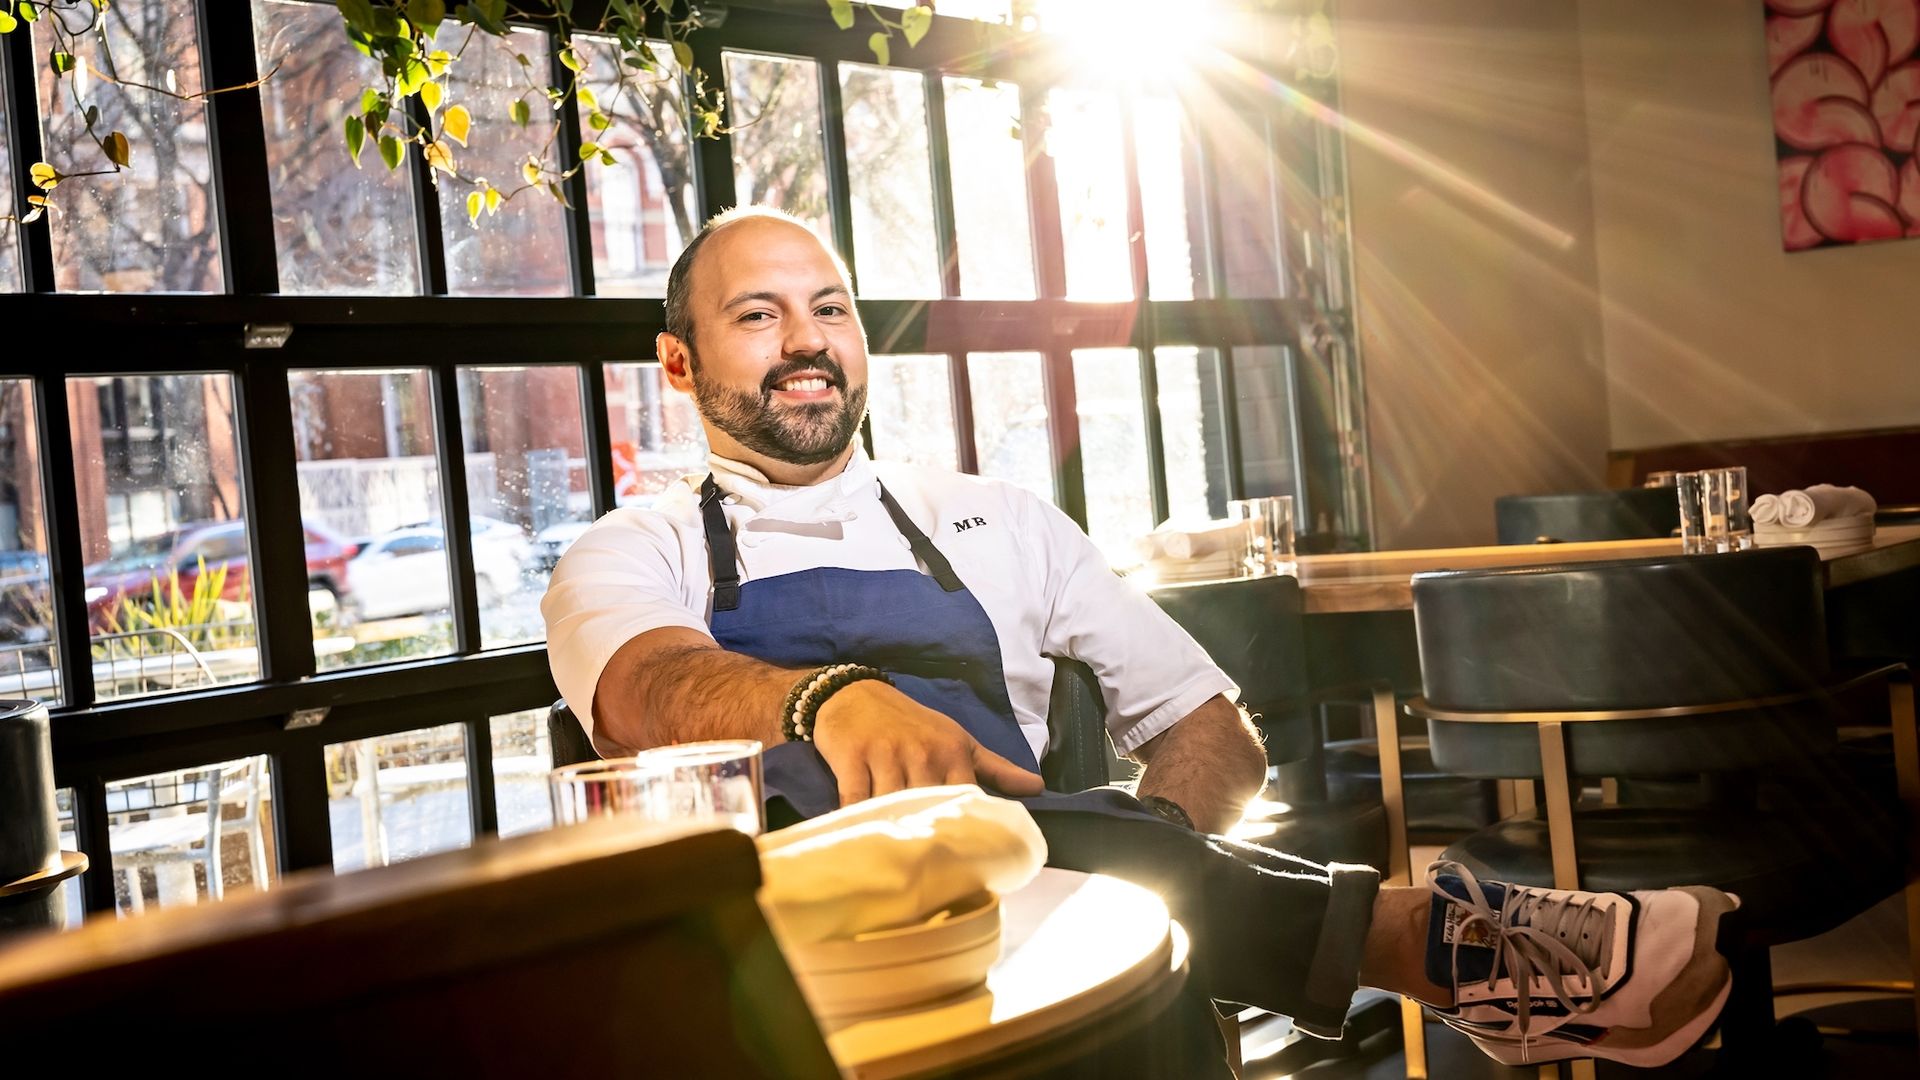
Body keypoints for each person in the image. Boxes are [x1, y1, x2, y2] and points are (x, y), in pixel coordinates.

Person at [542, 206, 1738, 1068]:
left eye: (832, 309)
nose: (807, 341)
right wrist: (826, 702)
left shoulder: (997, 518)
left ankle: (1150, 880)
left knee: (1089, 868)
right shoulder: (633, 550)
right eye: (759, 316)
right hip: (798, 974)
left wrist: (1143, 861)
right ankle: (1447, 945)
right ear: (680, 363)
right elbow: (647, 690)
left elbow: (1207, 726)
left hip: (1031, 921)